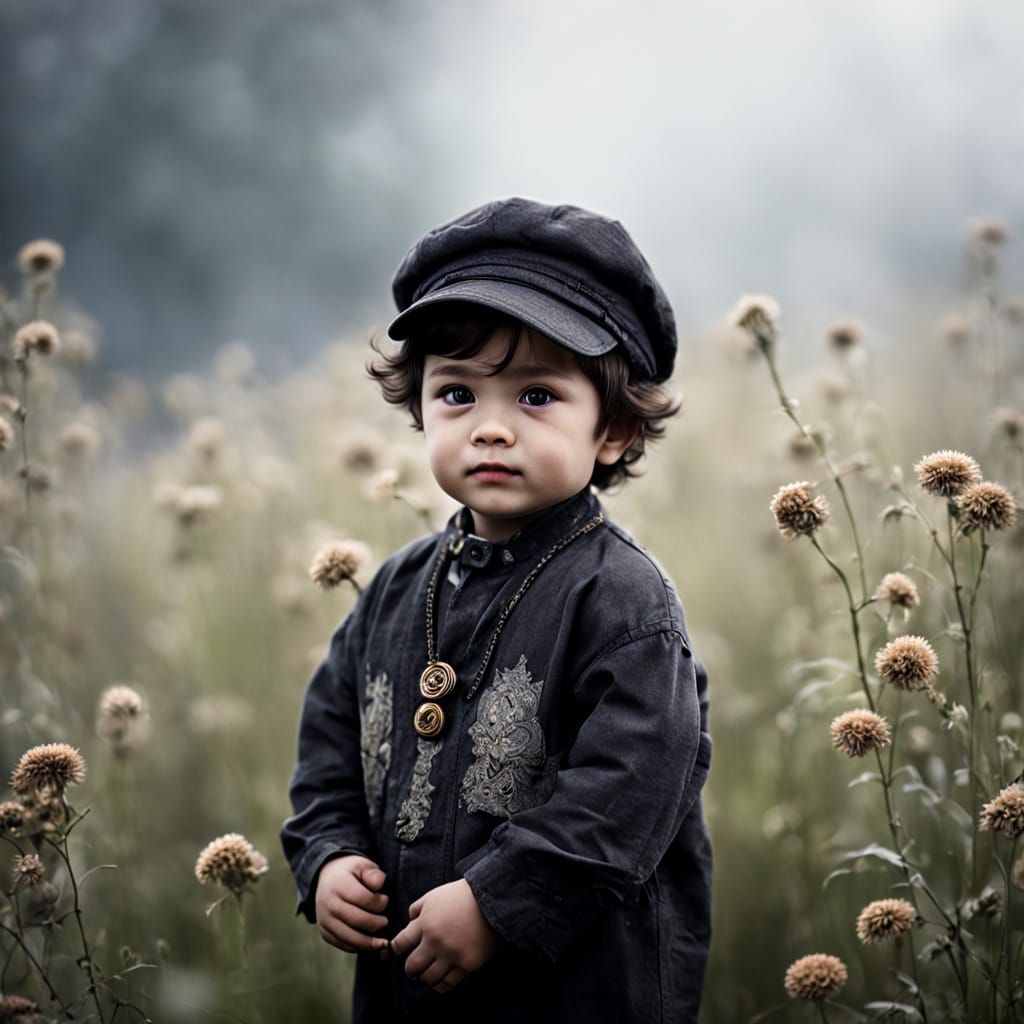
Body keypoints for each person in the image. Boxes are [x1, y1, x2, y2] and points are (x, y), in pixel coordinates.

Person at [280, 197, 712, 1023]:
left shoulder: (623, 599)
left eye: (537, 396)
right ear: (419, 407)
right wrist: (327, 860)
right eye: (457, 394)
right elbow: (329, 750)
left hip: (577, 989)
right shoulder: (396, 590)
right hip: (410, 991)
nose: (490, 429)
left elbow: (629, 792)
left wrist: (498, 901)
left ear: (614, 428)